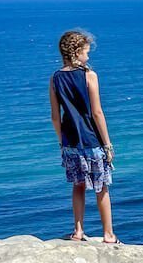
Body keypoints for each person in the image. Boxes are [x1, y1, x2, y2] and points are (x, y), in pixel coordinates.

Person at [49, 29, 119, 244]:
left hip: (70, 142)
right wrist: (107, 144)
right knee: (101, 187)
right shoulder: (89, 75)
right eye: (86, 52)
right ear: (77, 52)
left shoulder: (55, 79)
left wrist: (62, 141)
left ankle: (78, 232)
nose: (88, 56)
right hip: (92, 140)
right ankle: (108, 234)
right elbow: (97, 112)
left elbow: (55, 117)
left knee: (78, 186)